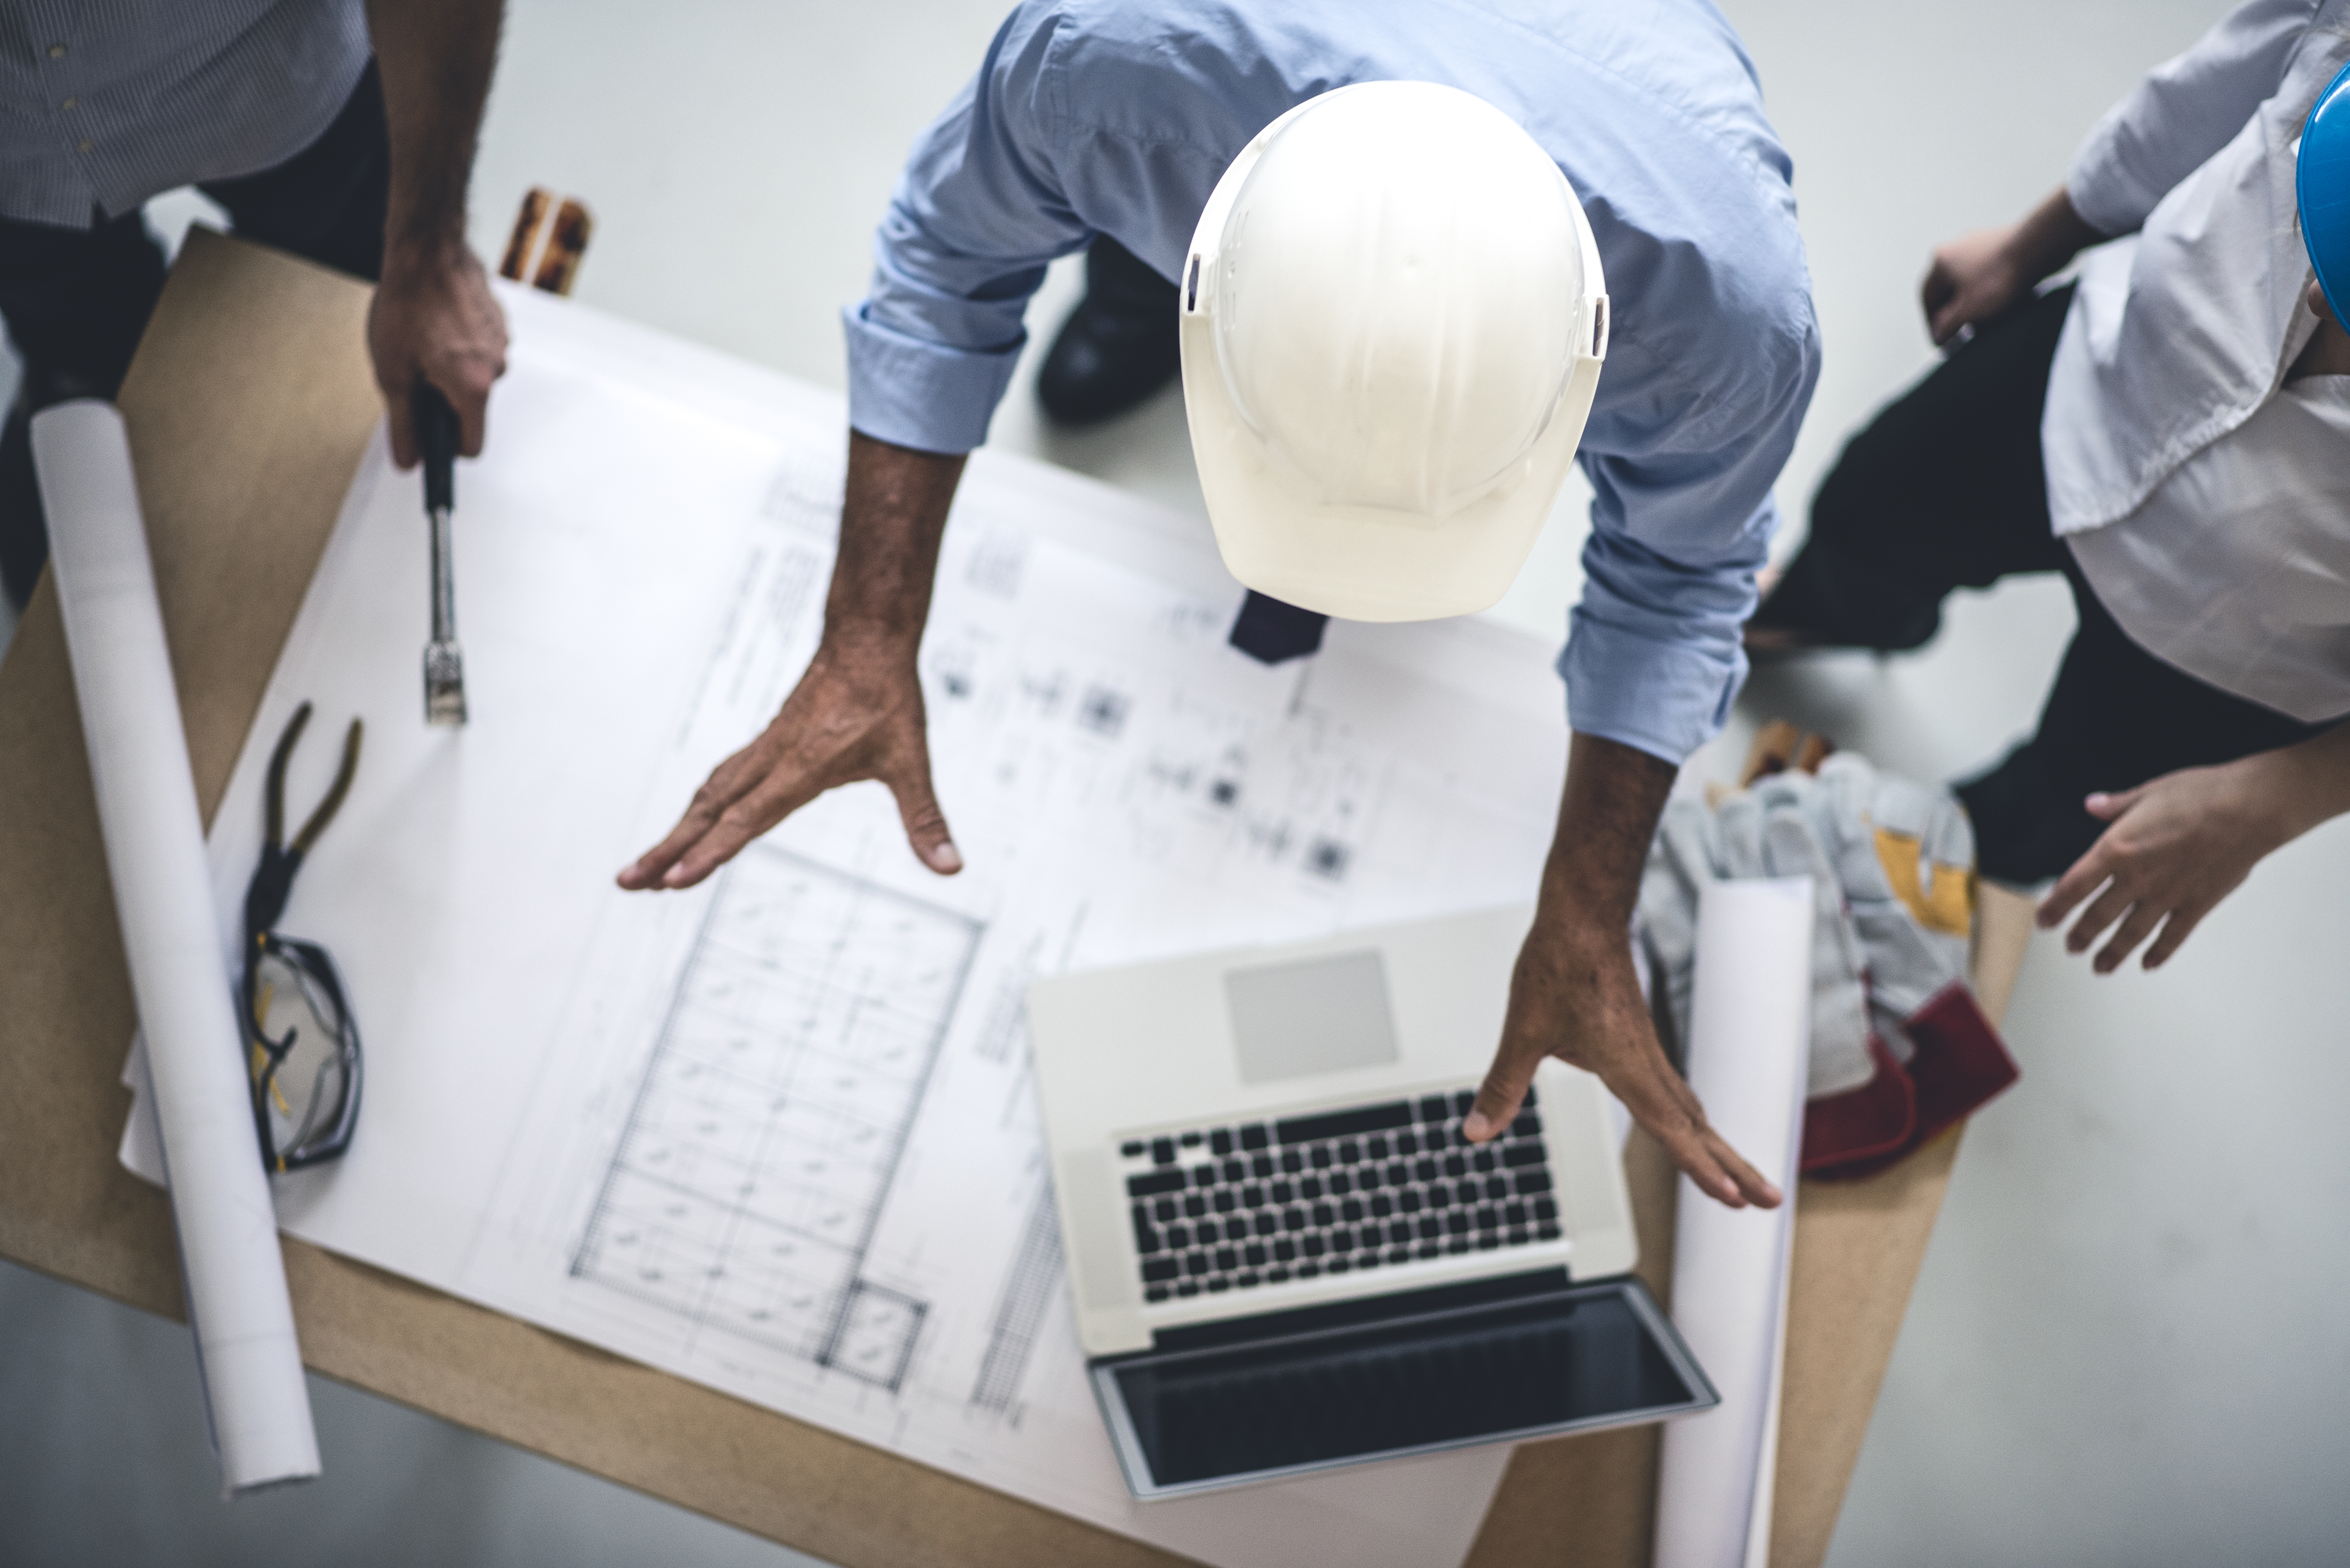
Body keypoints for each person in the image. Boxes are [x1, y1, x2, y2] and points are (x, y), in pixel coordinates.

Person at [619, 0, 1823, 1211]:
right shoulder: (1111, 67)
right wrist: (867, 634)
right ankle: (1135, 300)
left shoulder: (1729, 329)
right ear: (1213, 266)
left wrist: (1589, 909)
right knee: (1112, 248)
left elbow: (1679, 579)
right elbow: (946, 255)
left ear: (1588, 357)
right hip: (1202, 138)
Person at [1749, 0, 2350, 976]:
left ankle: (1913, 878)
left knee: (2055, 812)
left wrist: (2277, 798)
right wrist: (2037, 241)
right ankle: (1843, 615)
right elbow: (2205, 96)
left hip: (2248, 651)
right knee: (1871, 510)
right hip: (2105, 374)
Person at [0, 0, 510, 608]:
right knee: (81, 347)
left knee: (343, 300)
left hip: (269, 76)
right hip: (20, 163)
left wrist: (429, 248)